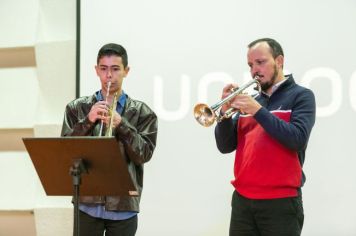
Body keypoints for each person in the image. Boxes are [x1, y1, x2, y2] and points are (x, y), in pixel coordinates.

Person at [215, 38, 315, 236]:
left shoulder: (301, 96)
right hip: (243, 201)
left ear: (279, 61)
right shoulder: (251, 101)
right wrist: (224, 114)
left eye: (260, 62)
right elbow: (225, 146)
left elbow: (297, 139)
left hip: (281, 203)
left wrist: (258, 111)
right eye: (251, 65)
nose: (254, 71)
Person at [61, 43, 158, 236]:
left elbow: (143, 155)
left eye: (115, 69)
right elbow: (65, 149)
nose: (109, 76)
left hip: (124, 206)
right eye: (104, 69)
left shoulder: (143, 113)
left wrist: (122, 125)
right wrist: (88, 121)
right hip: (86, 203)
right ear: (96, 70)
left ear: (126, 71)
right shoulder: (76, 108)